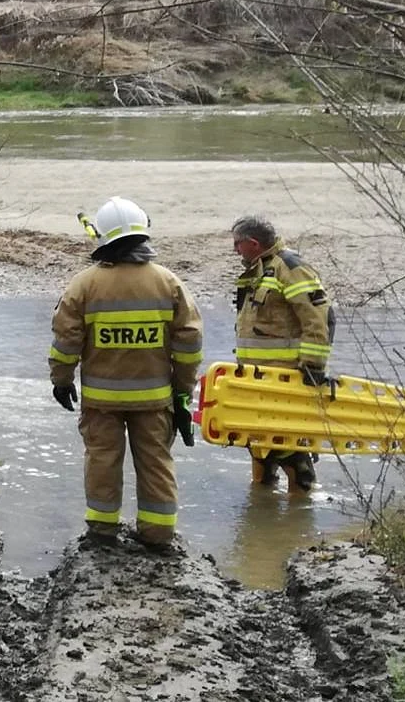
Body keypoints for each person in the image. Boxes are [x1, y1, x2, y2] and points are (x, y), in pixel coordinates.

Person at [48, 196, 203, 550]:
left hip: (102, 401)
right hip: (154, 399)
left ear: (103, 238)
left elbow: (66, 341)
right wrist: (183, 393)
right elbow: (190, 343)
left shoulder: (84, 285)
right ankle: (159, 535)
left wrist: (61, 380)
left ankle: (102, 533)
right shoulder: (169, 283)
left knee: (102, 462)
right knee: (156, 463)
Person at [231, 215, 335, 492]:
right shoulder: (261, 269)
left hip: (284, 377)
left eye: (237, 244)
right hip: (257, 377)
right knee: (259, 444)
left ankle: (302, 500)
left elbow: (318, 318)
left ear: (253, 243)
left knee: (288, 447)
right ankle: (263, 503)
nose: (234, 250)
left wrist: (313, 367)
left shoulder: (290, 268)